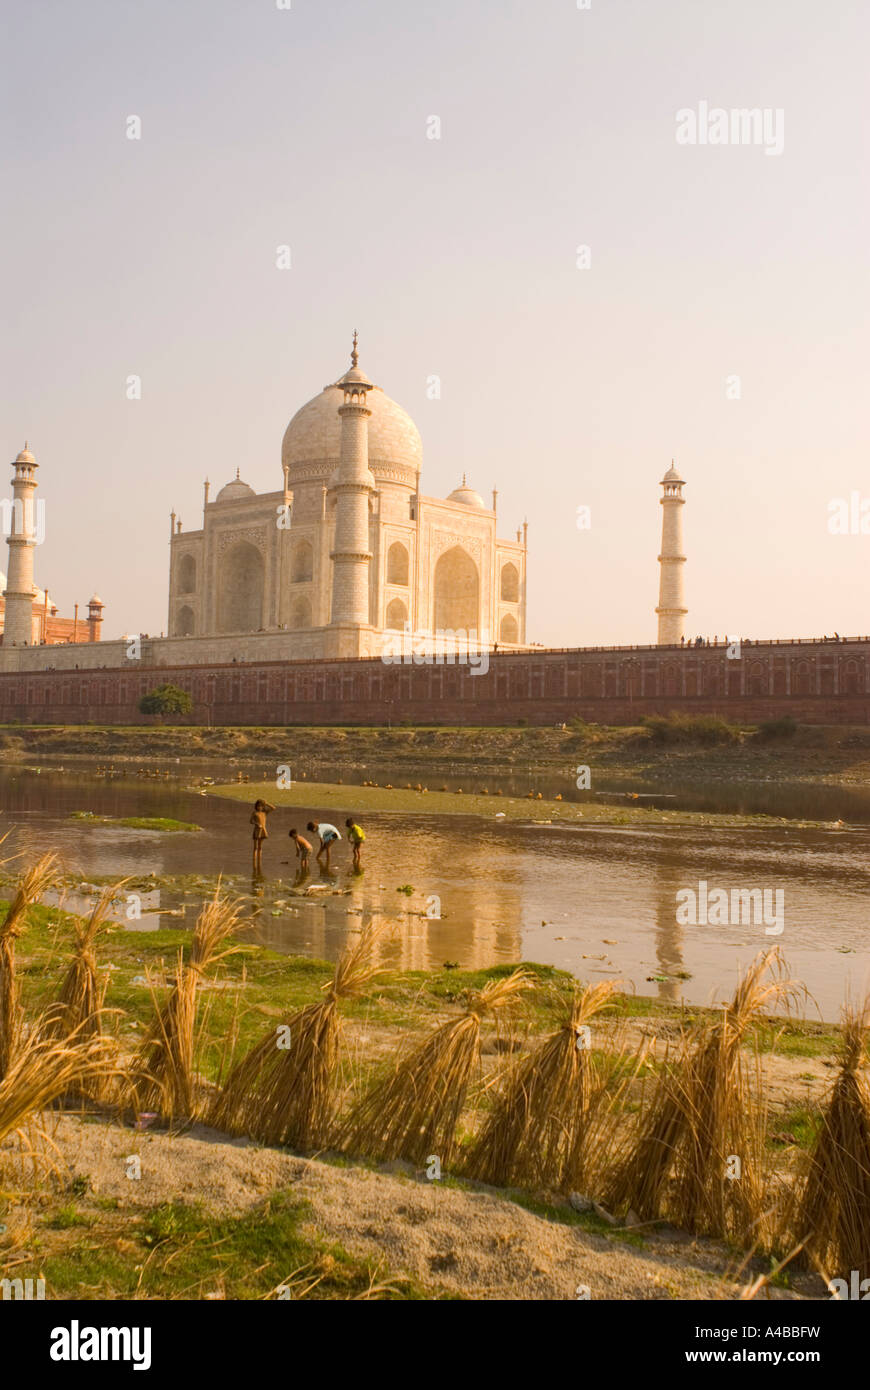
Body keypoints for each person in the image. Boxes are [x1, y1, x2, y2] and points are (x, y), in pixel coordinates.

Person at [250, 798, 275, 874]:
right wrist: (257, 824)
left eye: (261, 806)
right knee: (255, 847)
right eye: (258, 806)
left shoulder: (265, 812)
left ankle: (259, 860)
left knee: (260, 847)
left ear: (263, 806)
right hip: (257, 830)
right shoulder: (254, 813)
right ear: (256, 806)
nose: (259, 807)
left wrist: (266, 802)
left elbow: (273, 808)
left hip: (263, 831)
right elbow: (251, 821)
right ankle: (254, 862)